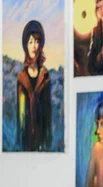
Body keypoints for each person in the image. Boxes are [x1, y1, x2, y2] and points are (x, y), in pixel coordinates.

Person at [17, 20, 52, 151]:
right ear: (25, 45)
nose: (34, 46)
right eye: (31, 42)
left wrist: (47, 137)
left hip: (42, 139)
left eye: (37, 41)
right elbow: (20, 115)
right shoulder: (21, 78)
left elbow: (48, 111)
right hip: (26, 141)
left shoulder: (45, 76)